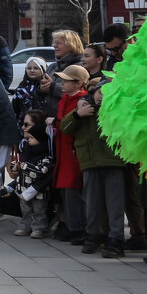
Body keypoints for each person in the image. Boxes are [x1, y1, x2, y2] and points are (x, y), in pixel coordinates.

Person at [61, 79, 128, 257]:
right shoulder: (84, 107)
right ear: (94, 92)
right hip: (90, 163)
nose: (101, 97)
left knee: (115, 204)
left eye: (107, 93)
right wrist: (77, 114)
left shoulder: (118, 108)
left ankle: (116, 240)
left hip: (113, 163)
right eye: (100, 92)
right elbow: (65, 128)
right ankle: (93, 236)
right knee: (92, 203)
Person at [51, 64, 90, 244]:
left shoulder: (81, 101)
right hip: (63, 152)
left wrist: (56, 123)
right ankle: (71, 225)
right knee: (66, 192)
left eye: (66, 81)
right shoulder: (65, 99)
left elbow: (68, 126)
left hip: (73, 153)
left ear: (78, 83)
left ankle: (79, 228)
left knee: (74, 191)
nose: (62, 83)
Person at [10, 110, 53, 238]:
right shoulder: (27, 149)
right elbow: (20, 171)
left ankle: (38, 228)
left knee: (39, 211)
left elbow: (41, 171)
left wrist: (25, 166)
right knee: (26, 210)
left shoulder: (46, 156)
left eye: (32, 138)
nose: (29, 139)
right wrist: (16, 169)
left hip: (39, 191)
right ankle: (25, 226)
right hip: (24, 188)